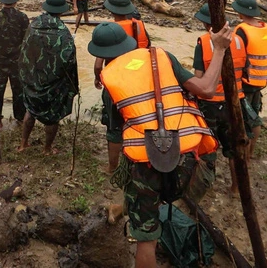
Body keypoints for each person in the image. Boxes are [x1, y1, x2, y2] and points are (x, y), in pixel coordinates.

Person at [99, 22, 232, 268]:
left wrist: (115, 167)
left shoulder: (110, 82)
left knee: (145, 239)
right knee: (173, 194)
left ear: (101, 55)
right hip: (189, 156)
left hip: (145, 164)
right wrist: (220, 49)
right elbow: (207, 89)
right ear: (130, 42)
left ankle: (140, 217)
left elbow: (116, 135)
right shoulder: (160, 56)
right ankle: (140, 209)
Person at [191, 3, 261, 193]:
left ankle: (206, 185)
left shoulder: (204, 43)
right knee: (234, 149)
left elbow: (198, 77)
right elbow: (245, 69)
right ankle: (236, 187)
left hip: (210, 105)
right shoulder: (238, 40)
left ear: (207, 26)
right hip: (234, 103)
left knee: (207, 147)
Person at [93, 0, 151, 174]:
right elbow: (148, 51)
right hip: (138, 82)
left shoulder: (109, 30)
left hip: (116, 83)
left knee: (114, 126)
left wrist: (97, 77)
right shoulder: (140, 26)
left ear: (110, 9)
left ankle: (112, 167)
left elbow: (97, 64)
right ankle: (136, 158)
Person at [18, 0, 78, 155]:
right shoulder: (63, 32)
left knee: (30, 110)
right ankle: (47, 148)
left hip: (33, 78)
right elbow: (69, 59)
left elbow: (25, 52)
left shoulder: (33, 25)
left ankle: (23, 144)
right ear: (61, 11)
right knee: (53, 116)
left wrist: (28, 76)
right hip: (53, 82)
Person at [233, 0, 267, 156]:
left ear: (240, 13)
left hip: (246, 82)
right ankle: (250, 152)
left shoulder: (241, 31)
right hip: (261, 80)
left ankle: (244, 152)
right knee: (254, 114)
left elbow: (236, 56)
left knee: (247, 118)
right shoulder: (265, 27)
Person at [0, 0, 30, 122]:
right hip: (18, 61)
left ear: (2, 1)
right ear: (16, 1)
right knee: (18, 91)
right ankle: (20, 119)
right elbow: (27, 40)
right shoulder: (23, 17)